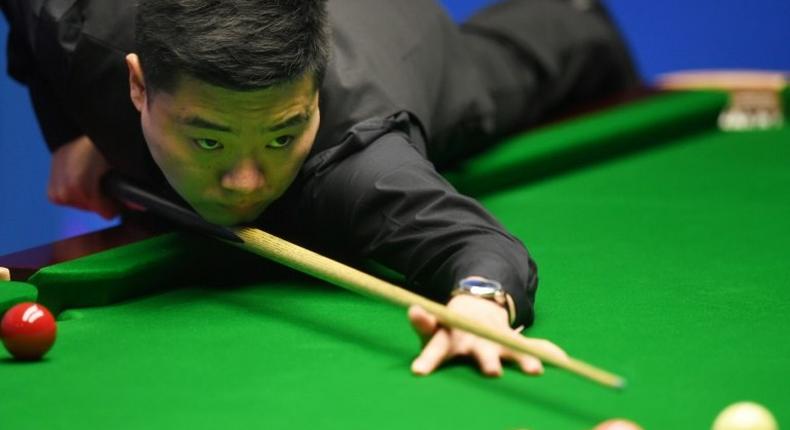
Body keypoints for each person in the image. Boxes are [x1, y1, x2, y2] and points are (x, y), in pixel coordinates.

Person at [1, 0, 637, 377]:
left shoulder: (355, 160)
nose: (246, 182)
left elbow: (478, 248)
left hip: (402, 36)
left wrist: (477, 305)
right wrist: (70, 133)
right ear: (137, 85)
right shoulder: (79, 28)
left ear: (312, 95)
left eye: (281, 137)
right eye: (210, 141)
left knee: (509, 66)